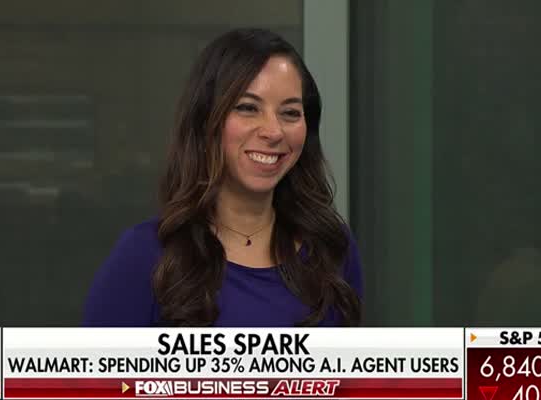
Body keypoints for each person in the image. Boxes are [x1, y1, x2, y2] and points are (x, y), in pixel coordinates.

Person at [83, 28, 362, 327]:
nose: (273, 131)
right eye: (248, 108)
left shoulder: (331, 248)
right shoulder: (144, 255)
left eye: (290, 113)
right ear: (206, 122)